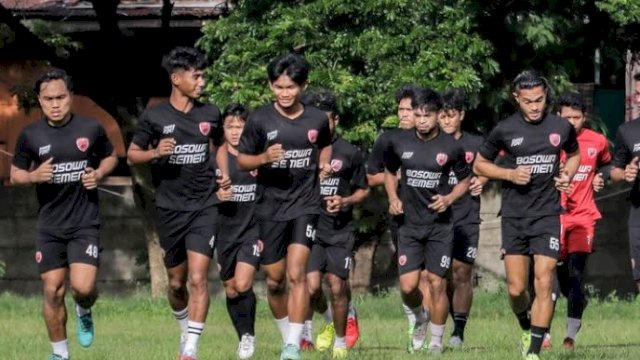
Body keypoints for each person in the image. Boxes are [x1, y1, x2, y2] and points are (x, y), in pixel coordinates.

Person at [10, 68, 118, 360]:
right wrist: (33, 177)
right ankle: (60, 354)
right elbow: (15, 173)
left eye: (60, 97)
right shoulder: (30, 135)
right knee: (53, 291)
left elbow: (111, 157)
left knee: (82, 287)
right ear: (40, 101)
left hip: (84, 222)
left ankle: (84, 308)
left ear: (70, 96)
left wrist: (99, 173)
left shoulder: (91, 128)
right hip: (50, 227)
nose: (55, 104)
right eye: (48, 99)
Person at [473, 70, 580, 360]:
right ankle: (525, 324)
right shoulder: (504, 130)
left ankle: (534, 351)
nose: (534, 106)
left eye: (540, 100)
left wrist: (567, 174)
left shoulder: (561, 126)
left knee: (544, 280)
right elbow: (480, 165)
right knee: (517, 289)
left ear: (546, 97)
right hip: (515, 217)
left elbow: (573, 155)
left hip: (547, 214)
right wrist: (508, 173)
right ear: (517, 99)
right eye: (528, 101)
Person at [126, 46, 224, 360]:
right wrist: (156, 153)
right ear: (176, 78)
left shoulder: (210, 114)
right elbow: (132, 154)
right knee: (177, 282)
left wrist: (222, 172)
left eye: (203, 75)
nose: (202, 82)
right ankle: (184, 329)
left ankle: (191, 349)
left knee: (198, 277)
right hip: (169, 208)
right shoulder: (154, 116)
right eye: (197, 76)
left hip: (205, 206)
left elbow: (221, 147)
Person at [236, 52, 332, 360]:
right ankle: (286, 335)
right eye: (279, 87)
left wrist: (324, 166)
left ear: (303, 85)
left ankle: (293, 345)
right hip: (269, 208)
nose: (285, 93)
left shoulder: (317, 119)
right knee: (275, 280)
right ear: (270, 86)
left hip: (305, 204)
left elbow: (326, 145)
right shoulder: (260, 119)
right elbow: (243, 159)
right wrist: (264, 158)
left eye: (291, 87)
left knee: (296, 273)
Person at [384, 88, 471, 355]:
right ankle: (420, 316)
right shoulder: (399, 142)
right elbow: (388, 172)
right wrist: (392, 197)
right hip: (408, 226)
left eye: (427, 115)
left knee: (437, 282)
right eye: (417, 115)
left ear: (437, 115)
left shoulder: (451, 146)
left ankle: (436, 341)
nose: (421, 120)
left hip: (439, 226)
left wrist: (449, 199)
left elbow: (466, 180)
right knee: (409, 286)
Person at [300, 91, 369, 359]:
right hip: (310, 229)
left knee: (337, 286)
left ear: (336, 120)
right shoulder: (304, 150)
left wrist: (345, 201)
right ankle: (332, 317)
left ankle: (340, 343)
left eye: (326, 119)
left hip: (339, 230)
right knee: (312, 288)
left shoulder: (350, 152)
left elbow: (363, 190)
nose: (320, 125)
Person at [541, 92, 611, 350]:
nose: (571, 122)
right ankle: (544, 331)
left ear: (585, 117)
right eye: (566, 116)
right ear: (557, 116)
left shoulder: (597, 141)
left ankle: (570, 335)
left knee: (577, 273)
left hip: (583, 217)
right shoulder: (548, 141)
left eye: (576, 117)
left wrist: (600, 177)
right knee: (551, 277)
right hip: (552, 216)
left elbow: (607, 165)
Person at [366, 85, 433, 352]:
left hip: (432, 216)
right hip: (402, 218)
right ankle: (415, 316)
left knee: (430, 277)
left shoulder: (432, 138)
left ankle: (427, 334)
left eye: (410, 109)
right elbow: (371, 177)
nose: (404, 114)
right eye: (401, 109)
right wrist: (395, 177)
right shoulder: (388, 139)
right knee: (410, 280)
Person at [438, 89, 486, 349]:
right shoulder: (430, 143)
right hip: (437, 219)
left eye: (451, 116)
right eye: (442, 117)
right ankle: (439, 325)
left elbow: (488, 167)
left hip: (467, 217)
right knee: (440, 275)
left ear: (461, 115)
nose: (446, 122)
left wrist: (483, 180)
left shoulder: (476, 143)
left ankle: (458, 330)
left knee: (461, 271)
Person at [214, 103, 260, 359]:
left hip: (251, 231)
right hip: (225, 233)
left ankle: (248, 336)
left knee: (243, 283)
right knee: (231, 289)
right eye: (230, 126)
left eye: (240, 126)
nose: (235, 132)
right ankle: (242, 333)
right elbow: (203, 196)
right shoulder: (216, 162)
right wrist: (218, 195)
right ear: (223, 129)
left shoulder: (254, 159)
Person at [610, 72, 640, 294]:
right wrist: (626, 173)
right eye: (638, 94)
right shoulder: (627, 131)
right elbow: (614, 171)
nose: (639, 99)